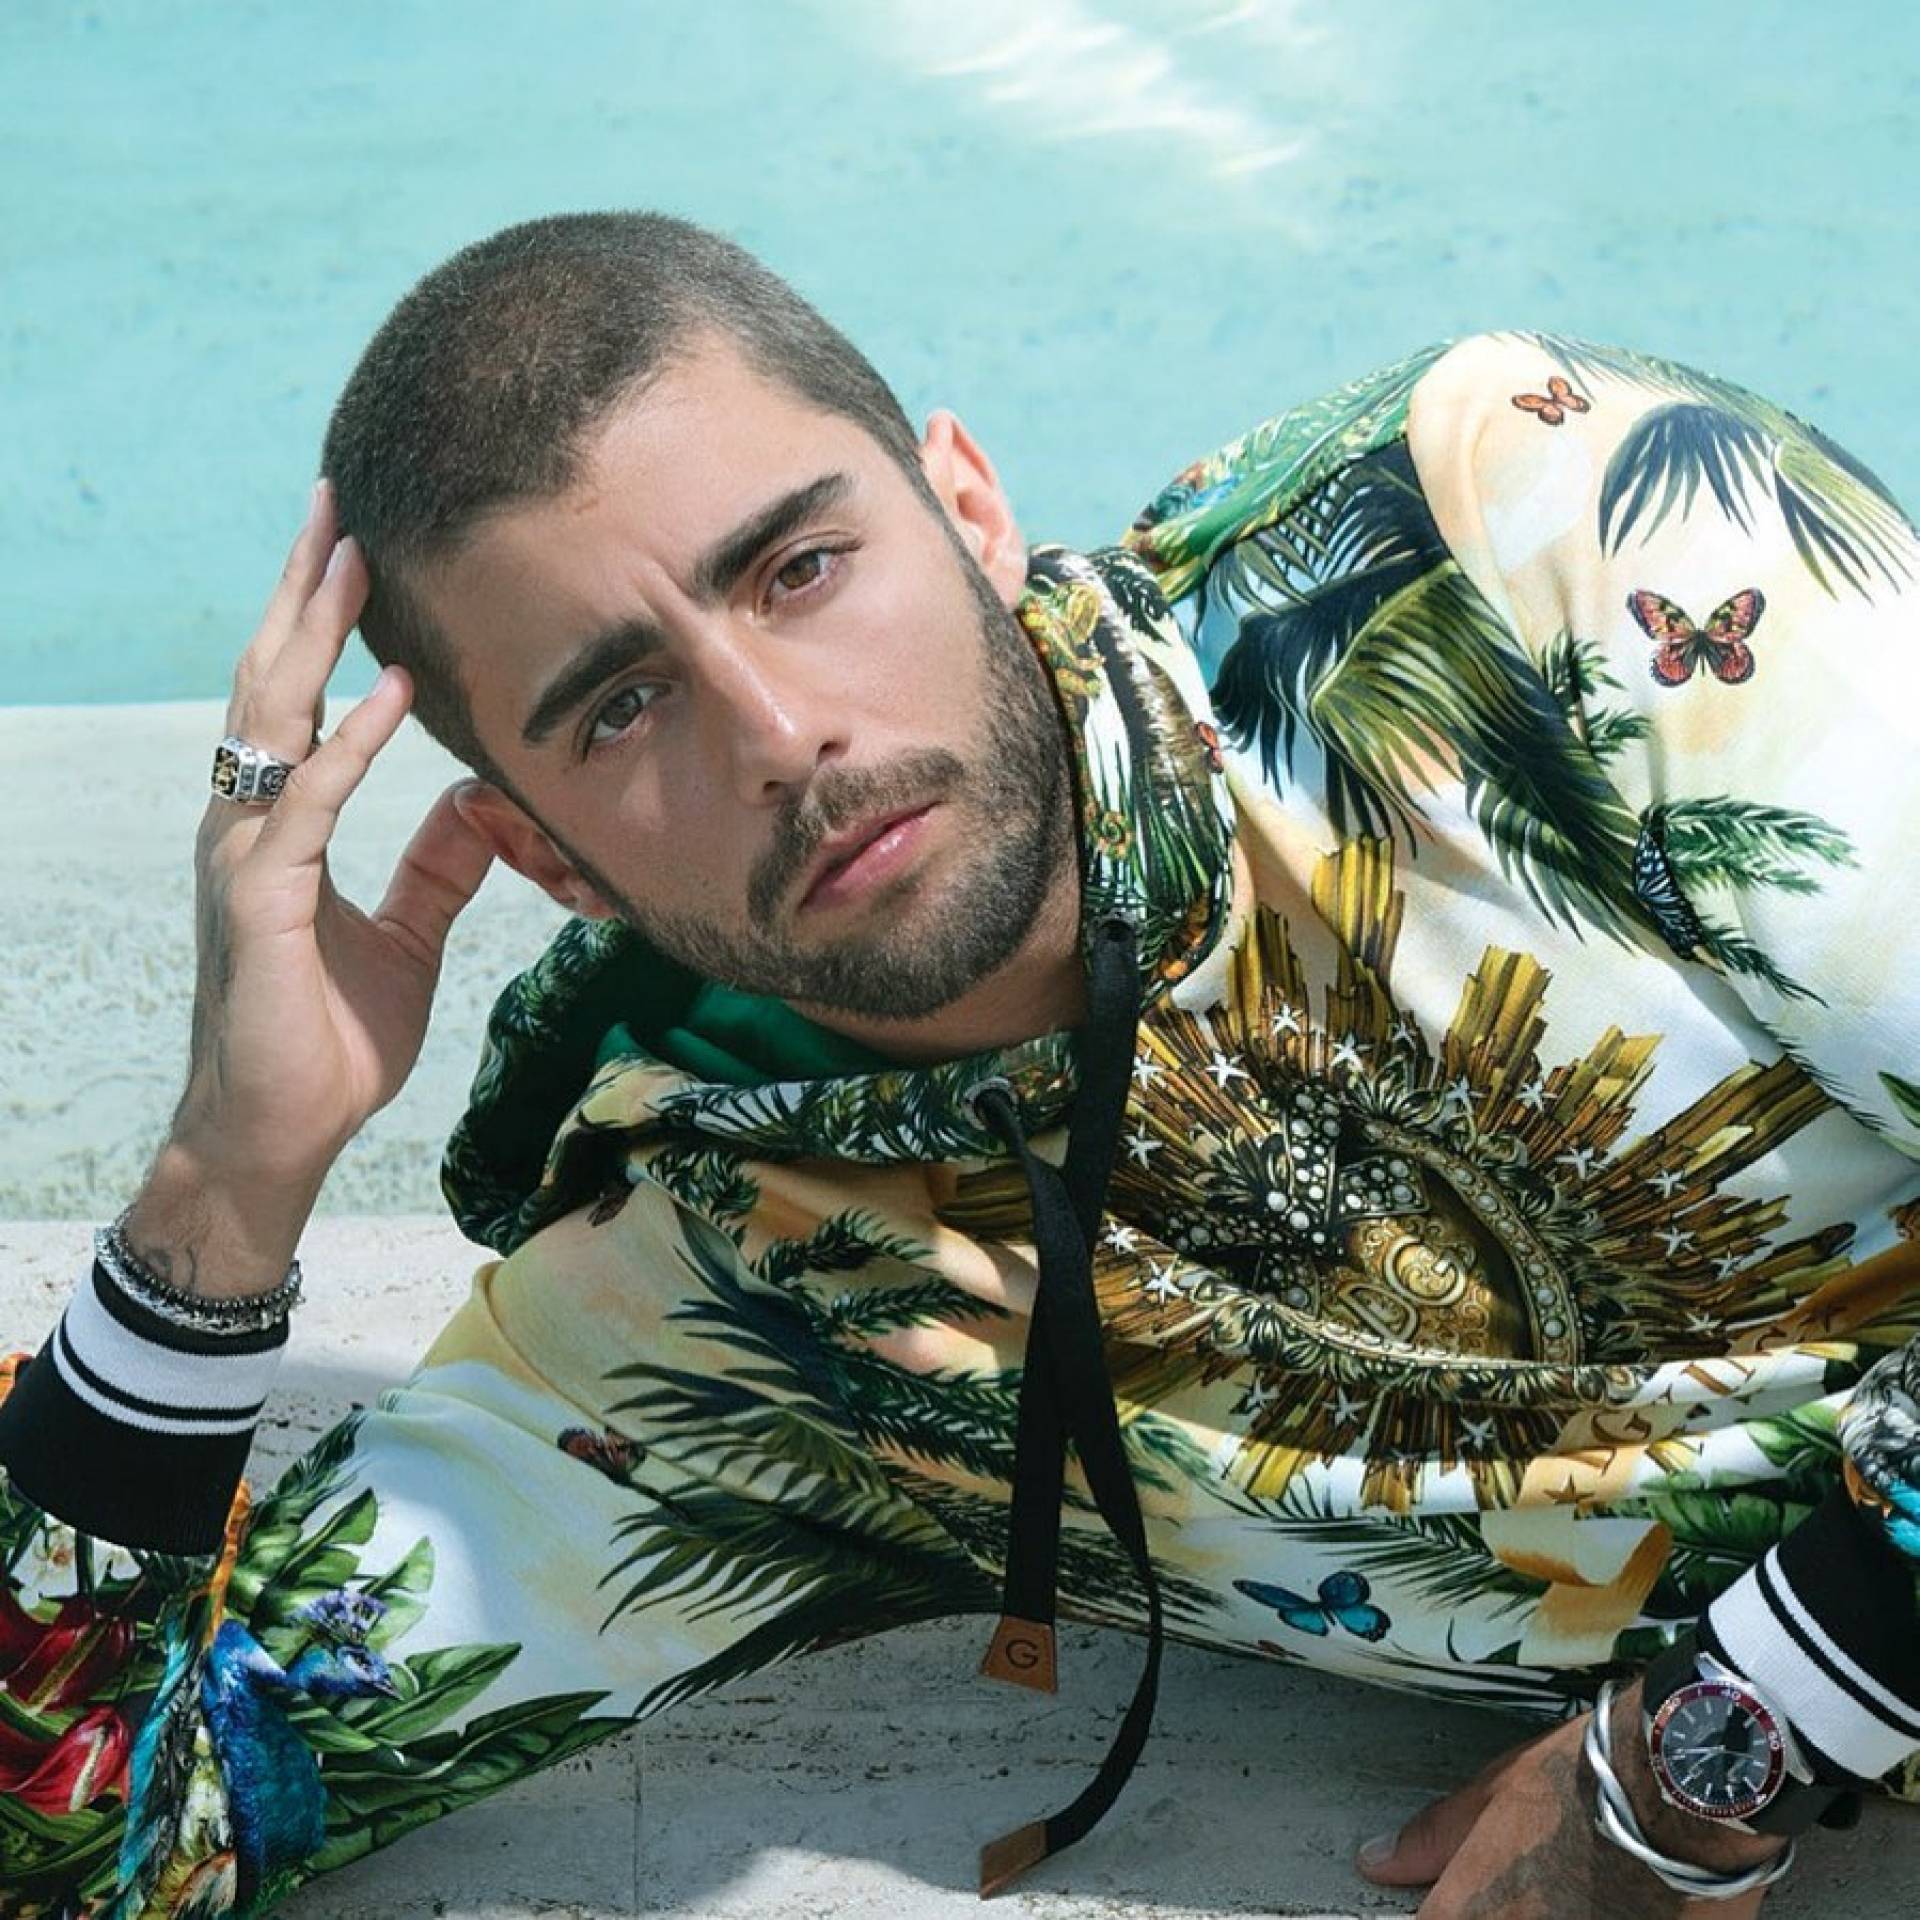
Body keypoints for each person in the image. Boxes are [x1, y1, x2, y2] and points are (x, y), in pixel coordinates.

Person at [2, 211, 1917, 1920]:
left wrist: (1728, 1739)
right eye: (623, 706)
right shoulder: (731, 1299)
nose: (780, 736)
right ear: (548, 857)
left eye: (801, 567)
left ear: (972, 509)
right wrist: (224, 1186)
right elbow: (88, 1850)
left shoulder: (1508, 537)